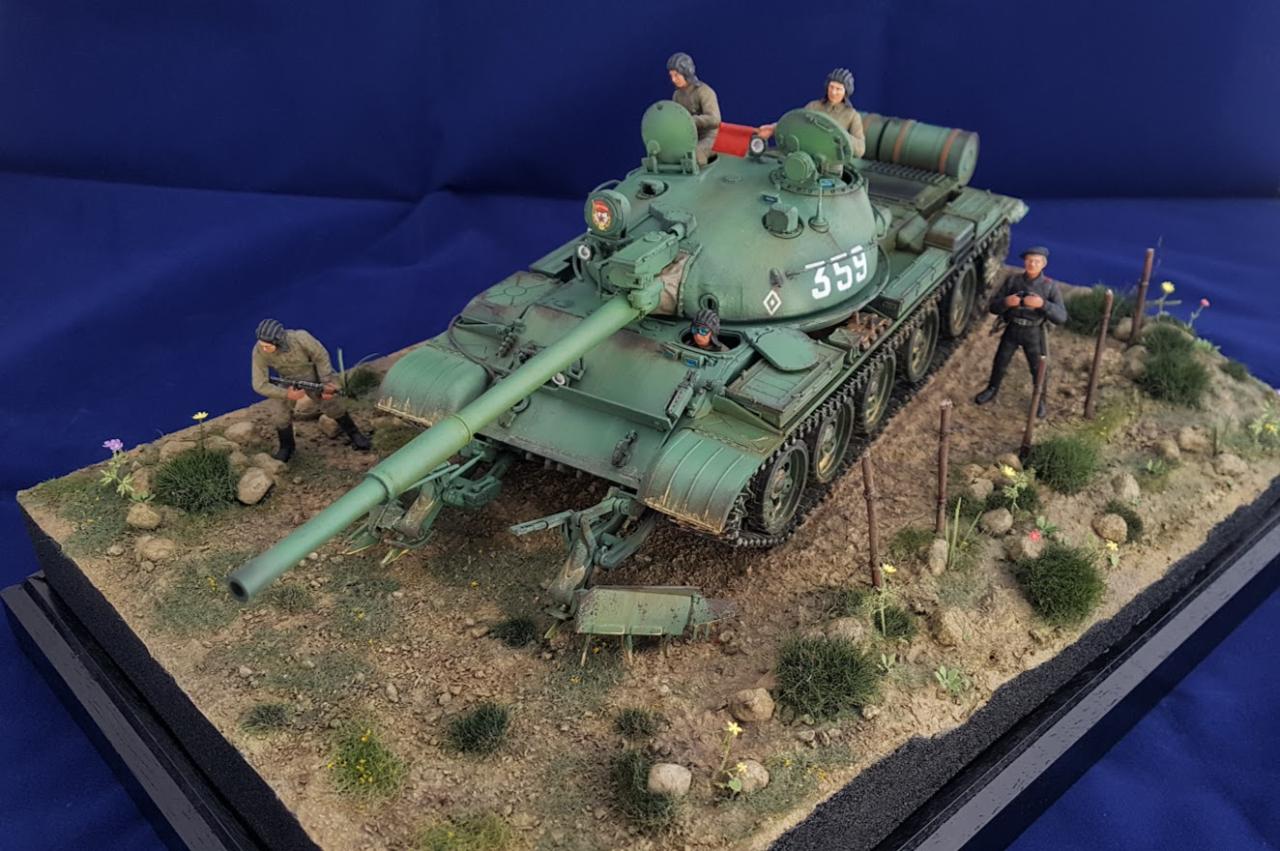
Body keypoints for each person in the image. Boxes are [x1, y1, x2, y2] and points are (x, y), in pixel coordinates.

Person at [250, 319, 371, 461]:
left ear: (278, 341)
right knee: (280, 413)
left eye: (268, 345)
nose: (264, 348)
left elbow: (321, 356)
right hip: (288, 382)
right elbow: (259, 384)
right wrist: (286, 394)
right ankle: (287, 446)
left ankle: (354, 433)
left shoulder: (301, 339)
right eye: (262, 345)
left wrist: (326, 381)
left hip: (315, 377)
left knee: (332, 404)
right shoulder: (260, 351)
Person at [973, 248, 1068, 418]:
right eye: (1029, 260)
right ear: (1024, 262)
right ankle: (992, 388)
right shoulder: (1013, 281)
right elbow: (993, 307)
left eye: (1037, 261)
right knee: (1000, 361)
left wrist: (1043, 304)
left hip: (1033, 332)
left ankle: (1040, 399)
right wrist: (1007, 302)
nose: (1032, 264)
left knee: (1038, 367)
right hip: (1013, 328)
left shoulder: (1049, 286)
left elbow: (1061, 316)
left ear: (1043, 264)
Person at [759, 68, 865, 157]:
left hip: (831, 161)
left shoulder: (852, 115)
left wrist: (842, 136)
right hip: (805, 154)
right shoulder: (814, 106)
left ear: (846, 92)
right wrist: (773, 128)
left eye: (838, 89)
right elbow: (796, 122)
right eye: (831, 87)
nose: (833, 92)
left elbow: (860, 149)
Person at [667, 52, 720, 166]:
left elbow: (715, 119)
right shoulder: (677, 95)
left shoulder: (704, 91)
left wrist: (690, 120)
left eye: (676, 75)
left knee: (695, 155)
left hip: (711, 138)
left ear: (686, 72)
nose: (673, 79)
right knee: (668, 154)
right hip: (689, 138)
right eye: (671, 76)